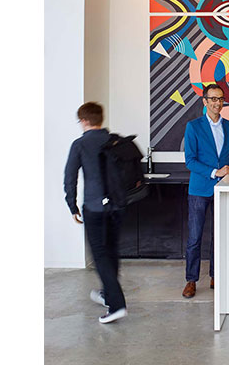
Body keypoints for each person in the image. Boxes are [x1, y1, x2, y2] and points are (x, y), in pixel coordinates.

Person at [63, 102, 127, 324]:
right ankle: (108, 294)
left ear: (84, 121)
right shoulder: (114, 140)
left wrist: (72, 206)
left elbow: (70, 177)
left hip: (94, 207)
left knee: (100, 255)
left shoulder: (80, 144)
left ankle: (117, 304)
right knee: (112, 251)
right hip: (117, 206)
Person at [182, 83, 229, 298]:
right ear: (205, 101)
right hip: (199, 189)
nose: (217, 103)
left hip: (223, 188)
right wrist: (216, 171)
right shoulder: (193, 126)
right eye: (213, 99)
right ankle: (191, 280)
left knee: (219, 235)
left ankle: (215, 274)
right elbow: (190, 161)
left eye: (220, 99)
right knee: (195, 237)